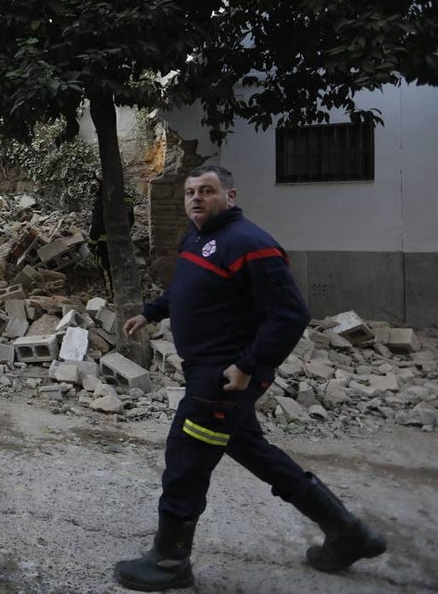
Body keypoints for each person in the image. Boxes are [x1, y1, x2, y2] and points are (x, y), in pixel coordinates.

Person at [114, 165, 385, 591]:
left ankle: (169, 562)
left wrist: (247, 366)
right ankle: (347, 532)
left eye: (207, 191)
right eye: (190, 192)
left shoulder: (250, 244)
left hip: (222, 379)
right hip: (208, 373)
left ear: (231, 196)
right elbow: (187, 290)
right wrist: (150, 312)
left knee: (185, 461)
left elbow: (290, 313)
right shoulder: (198, 238)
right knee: (255, 452)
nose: (196, 199)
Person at [87, 176, 134, 299]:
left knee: (107, 269)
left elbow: (97, 224)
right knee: (122, 268)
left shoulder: (102, 200)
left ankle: (112, 298)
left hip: (105, 243)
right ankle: (126, 295)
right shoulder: (127, 198)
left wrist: (91, 243)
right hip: (123, 241)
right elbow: (131, 220)